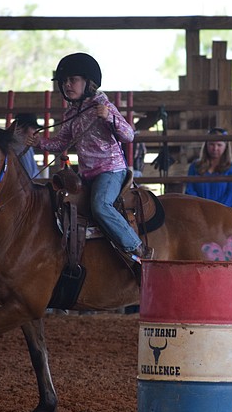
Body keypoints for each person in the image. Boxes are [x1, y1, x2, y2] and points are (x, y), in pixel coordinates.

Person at [28, 53, 151, 266]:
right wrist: (38, 142)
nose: (67, 85)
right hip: (86, 174)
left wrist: (110, 117)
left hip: (111, 170)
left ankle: (137, 247)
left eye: (72, 79)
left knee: (101, 206)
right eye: (64, 81)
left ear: (88, 82)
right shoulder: (71, 113)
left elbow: (129, 136)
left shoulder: (103, 106)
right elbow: (61, 142)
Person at [184, 127, 232, 207]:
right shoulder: (195, 166)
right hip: (199, 212)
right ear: (206, 145)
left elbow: (231, 195)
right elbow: (190, 191)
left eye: (219, 145)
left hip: (223, 213)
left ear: (226, 147)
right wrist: (201, 208)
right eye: (211, 144)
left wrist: (215, 210)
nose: (215, 148)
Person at [11, 113, 42, 179]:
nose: (37, 134)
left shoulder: (26, 147)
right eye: (34, 129)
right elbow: (29, 176)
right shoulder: (21, 147)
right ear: (22, 128)